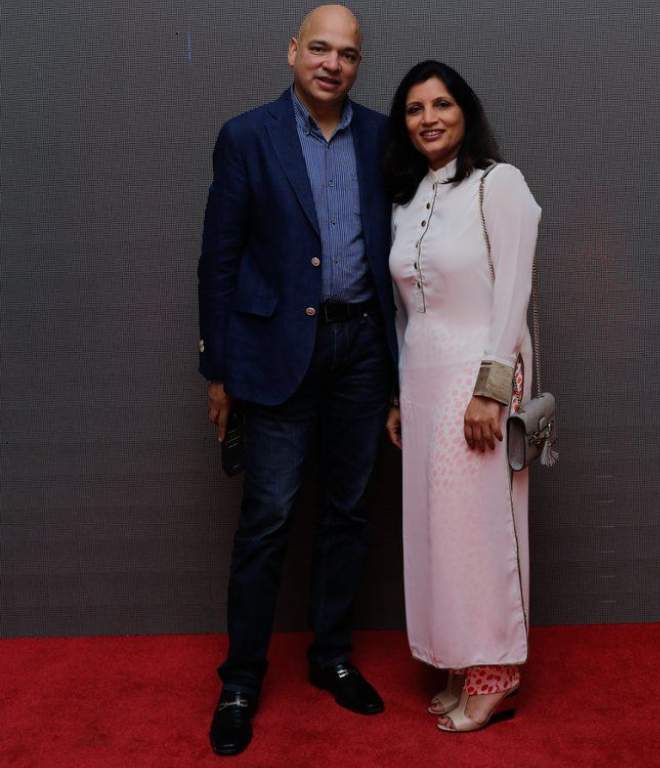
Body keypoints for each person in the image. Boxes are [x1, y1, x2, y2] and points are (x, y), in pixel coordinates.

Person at [197, 5, 396, 756]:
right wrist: (217, 369)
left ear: (357, 64)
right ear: (291, 52)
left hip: (363, 350)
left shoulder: (381, 137)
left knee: (348, 512)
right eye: (319, 47)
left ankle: (332, 657)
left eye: (347, 53)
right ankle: (242, 680)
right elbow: (218, 258)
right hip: (275, 354)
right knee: (270, 518)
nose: (332, 63)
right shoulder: (246, 136)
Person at [384, 60, 541, 733]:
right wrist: (398, 395)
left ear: (465, 111)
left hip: (480, 375)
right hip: (423, 384)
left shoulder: (497, 185)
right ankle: (459, 661)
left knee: (482, 528)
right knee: (437, 531)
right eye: (415, 109)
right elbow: (404, 311)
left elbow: (514, 292)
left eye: (442, 104)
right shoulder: (409, 197)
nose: (429, 118)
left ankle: (497, 672)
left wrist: (492, 388)